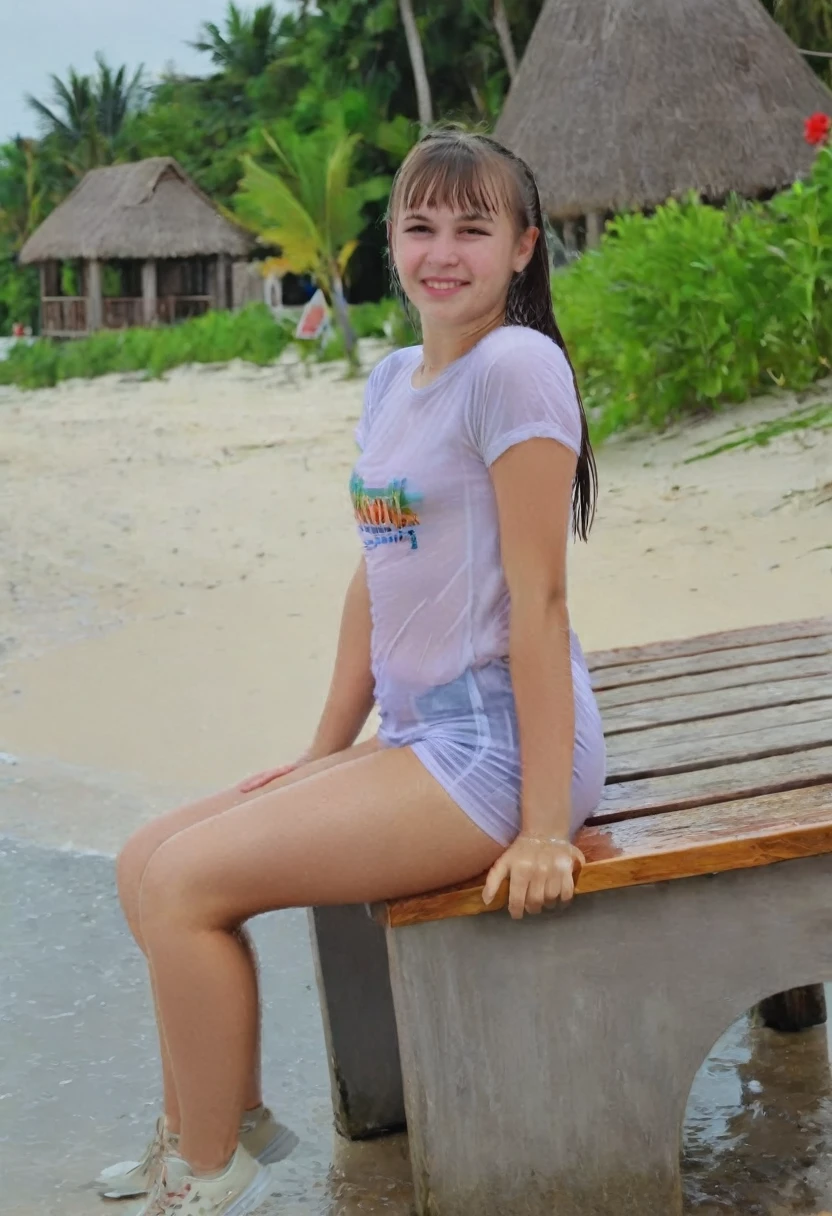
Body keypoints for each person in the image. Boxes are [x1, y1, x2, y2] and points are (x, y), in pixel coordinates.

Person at [97, 127, 607, 1216]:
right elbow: (377, 574)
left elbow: (542, 601)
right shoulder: (392, 380)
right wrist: (320, 755)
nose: (443, 250)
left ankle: (206, 1175)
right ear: (390, 241)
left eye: (474, 227)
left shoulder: (513, 368)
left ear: (522, 248)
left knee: (188, 885)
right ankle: (218, 1116)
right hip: (420, 735)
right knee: (145, 859)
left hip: (497, 749)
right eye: (420, 225)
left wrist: (545, 824)